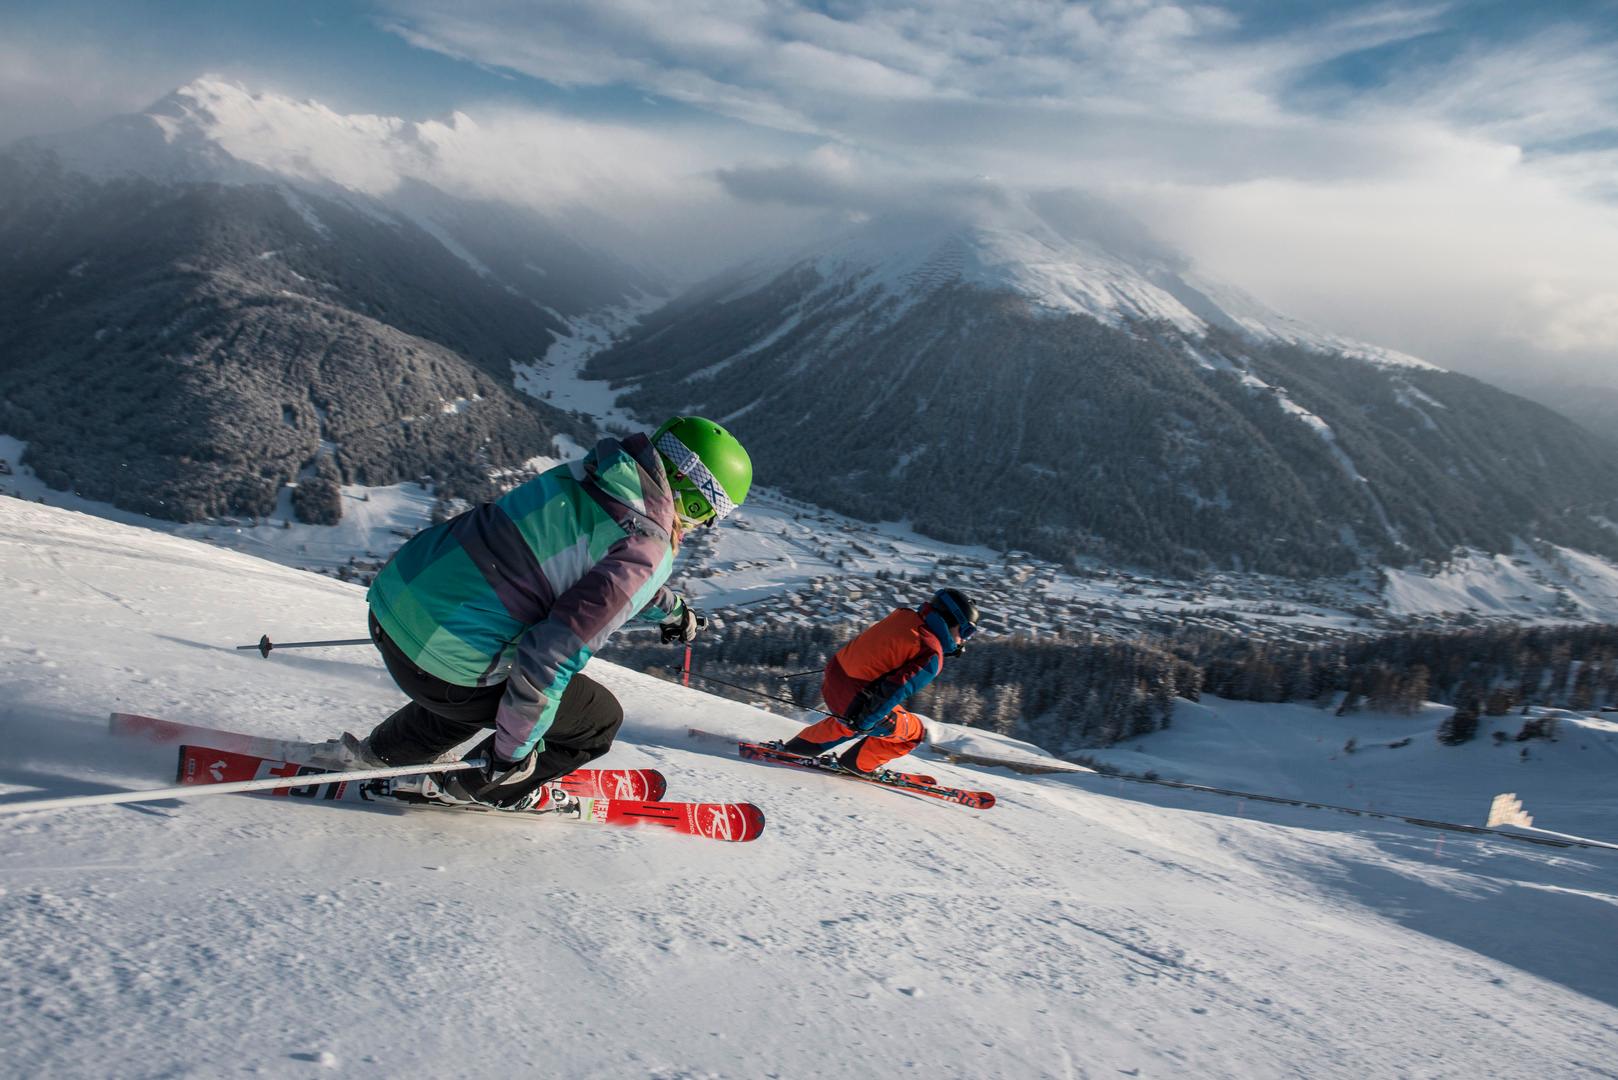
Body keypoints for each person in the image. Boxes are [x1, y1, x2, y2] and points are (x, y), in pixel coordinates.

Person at [318, 416, 752, 811]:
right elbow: (551, 657)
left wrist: (672, 612)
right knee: (597, 720)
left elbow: (596, 570)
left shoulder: (590, 475)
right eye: (708, 515)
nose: (698, 527)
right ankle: (476, 787)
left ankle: (387, 753)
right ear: (692, 497)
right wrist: (509, 756)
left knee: (480, 674)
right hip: (443, 663)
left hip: (394, 605)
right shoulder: (647, 547)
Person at [778, 588, 980, 775]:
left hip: (834, 683)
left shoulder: (904, 616)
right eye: (966, 632)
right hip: (854, 697)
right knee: (914, 732)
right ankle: (857, 765)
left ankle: (799, 748)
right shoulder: (931, 652)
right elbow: (896, 689)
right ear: (953, 619)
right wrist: (864, 722)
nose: (964, 640)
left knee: (855, 717)